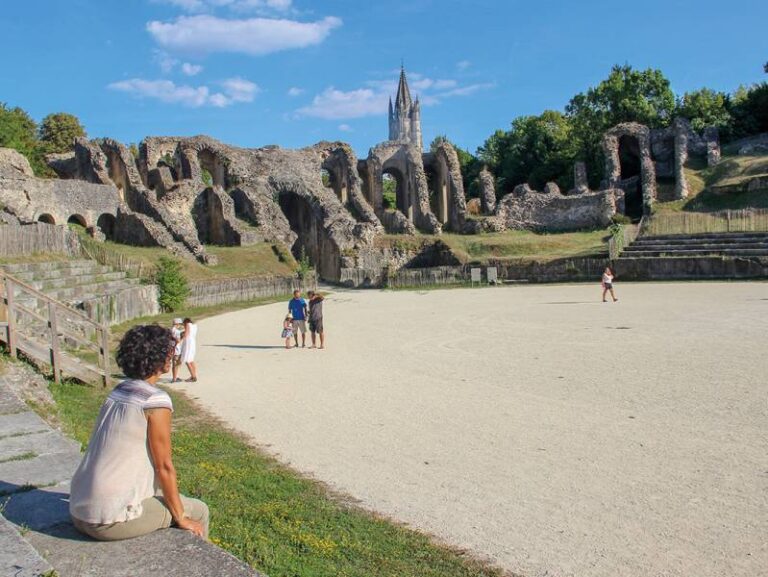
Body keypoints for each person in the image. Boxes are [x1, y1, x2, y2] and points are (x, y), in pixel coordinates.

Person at [69, 325, 209, 541]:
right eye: (169, 352)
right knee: (199, 510)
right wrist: (181, 517)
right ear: (159, 357)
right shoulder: (154, 400)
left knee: (166, 499)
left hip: (78, 509)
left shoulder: (119, 391)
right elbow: (164, 466)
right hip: (108, 520)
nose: (172, 356)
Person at [179, 318, 198, 382]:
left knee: (187, 360)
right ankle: (194, 375)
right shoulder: (194, 326)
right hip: (192, 343)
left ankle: (193, 377)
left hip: (188, 343)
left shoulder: (187, 324)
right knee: (191, 360)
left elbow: (186, 334)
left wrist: (180, 339)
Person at [170, 318, 184, 383]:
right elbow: (178, 341)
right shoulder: (177, 331)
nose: (180, 325)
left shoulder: (171, 330)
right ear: (177, 324)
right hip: (177, 349)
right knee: (177, 363)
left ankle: (174, 377)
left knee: (175, 363)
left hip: (172, 348)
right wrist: (182, 338)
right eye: (180, 324)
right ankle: (174, 378)